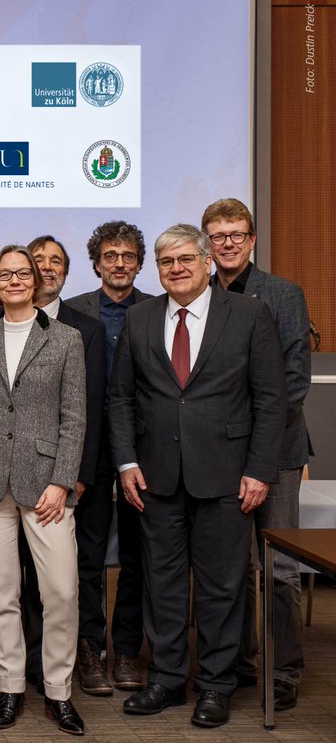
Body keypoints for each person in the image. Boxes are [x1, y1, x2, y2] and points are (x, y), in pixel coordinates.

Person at [112, 224, 286, 728]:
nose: (177, 268)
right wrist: (126, 462)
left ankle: (215, 686)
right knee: (161, 585)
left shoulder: (250, 315)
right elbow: (121, 397)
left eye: (186, 259)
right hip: (155, 479)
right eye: (167, 262)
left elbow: (270, 400)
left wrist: (259, 470)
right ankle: (165, 680)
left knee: (221, 588)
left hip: (229, 479)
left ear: (208, 262)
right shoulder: (141, 317)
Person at [0, 244, 87, 735]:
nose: (14, 280)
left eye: (22, 273)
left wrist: (61, 481)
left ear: (37, 280)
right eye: (4, 274)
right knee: (2, 595)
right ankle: (10, 688)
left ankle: (58, 693)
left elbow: (74, 419)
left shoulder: (67, 339)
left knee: (61, 594)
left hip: (47, 487)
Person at [205, 198, 311, 711]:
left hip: (277, 452)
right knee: (234, 565)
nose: (226, 243)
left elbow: (293, 382)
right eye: (217, 235)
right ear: (206, 242)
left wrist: (253, 447)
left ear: (251, 239)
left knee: (282, 565)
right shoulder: (197, 296)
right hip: (220, 456)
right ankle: (242, 662)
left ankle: (285, 670)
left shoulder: (283, 295)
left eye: (236, 234)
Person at [14, 236, 106, 696]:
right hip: (10, 479)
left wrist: (77, 476)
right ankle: (23, 663)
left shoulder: (84, 329)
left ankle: (73, 665)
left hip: (66, 479)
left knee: (71, 578)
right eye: (39, 262)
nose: (47, 268)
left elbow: (86, 408)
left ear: (67, 272)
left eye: (56, 262)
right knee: (20, 577)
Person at [63, 220, 152, 693]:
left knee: (139, 557)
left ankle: (128, 653)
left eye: (129, 256)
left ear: (140, 263)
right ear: (96, 262)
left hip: (146, 452)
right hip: (90, 450)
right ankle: (90, 652)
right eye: (111, 256)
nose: (120, 264)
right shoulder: (74, 312)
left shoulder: (157, 310)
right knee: (89, 558)